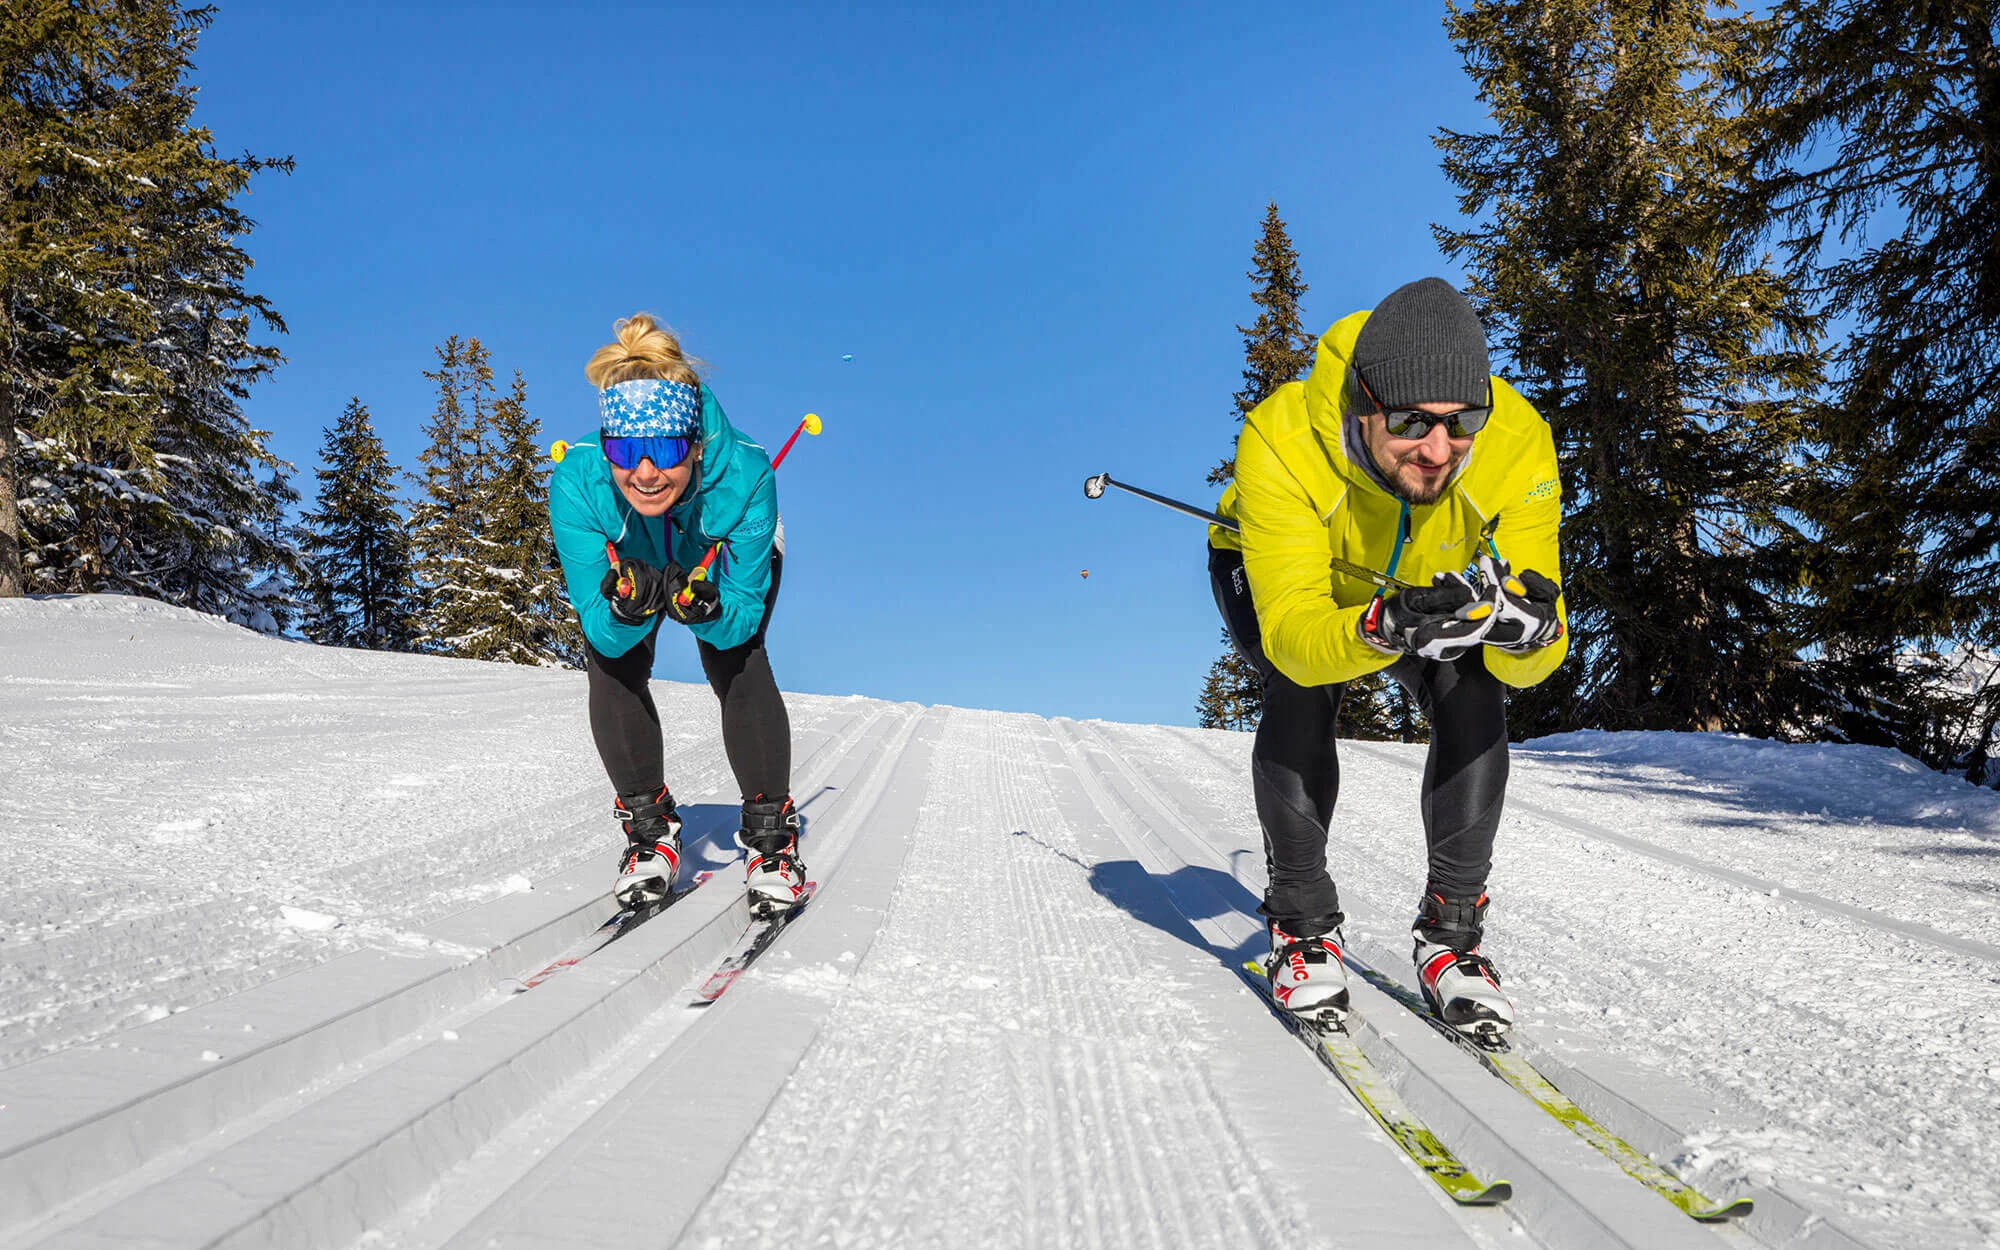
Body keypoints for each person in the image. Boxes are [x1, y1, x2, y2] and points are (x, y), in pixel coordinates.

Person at [1209, 277, 1567, 1038]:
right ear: (1363, 405)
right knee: (1300, 686)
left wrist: (1528, 635)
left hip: (1424, 582)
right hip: (1301, 587)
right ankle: (1301, 926)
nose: (1439, 450)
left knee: (1476, 686)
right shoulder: (1281, 439)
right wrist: (1379, 627)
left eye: (1462, 421)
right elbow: (1298, 637)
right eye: (1410, 422)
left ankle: (1451, 937)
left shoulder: (1518, 440)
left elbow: (1538, 648)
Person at [548, 313, 807, 917]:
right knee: (611, 664)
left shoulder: (744, 474)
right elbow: (601, 629)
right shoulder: (579, 482)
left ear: (693, 444)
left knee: (735, 658)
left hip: (713, 557)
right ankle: (650, 830)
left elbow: (741, 616)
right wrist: (625, 608)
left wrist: (709, 610)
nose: (645, 473)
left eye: (665, 449)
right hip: (635, 554)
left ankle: (771, 838)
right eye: (625, 451)